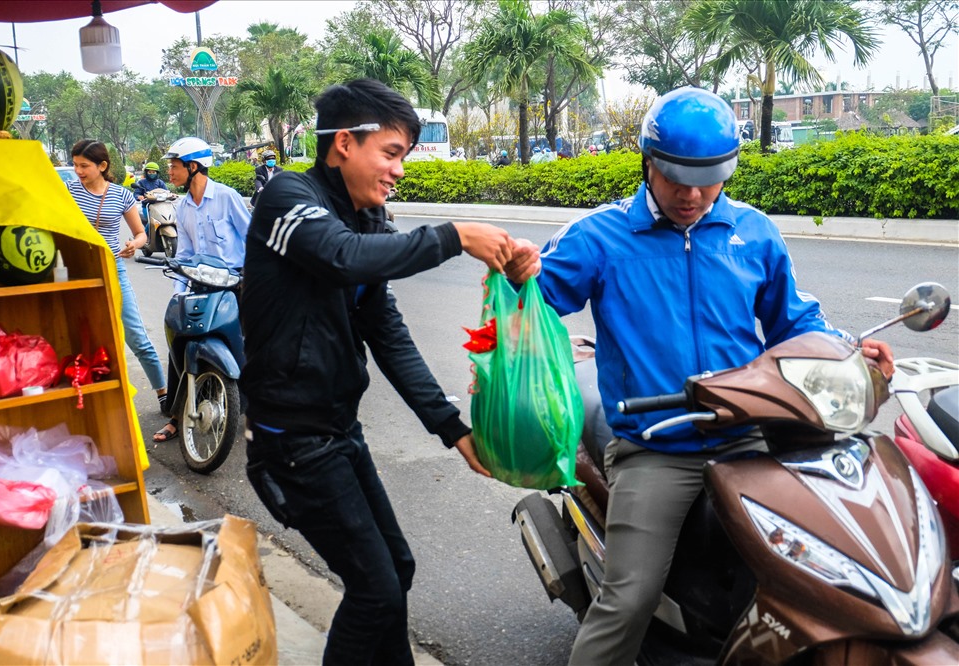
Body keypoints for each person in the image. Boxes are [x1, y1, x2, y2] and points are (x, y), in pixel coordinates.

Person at [503, 86, 894, 666]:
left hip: (751, 434)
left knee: (829, 566)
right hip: (657, 447)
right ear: (648, 164)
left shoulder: (753, 233)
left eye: (707, 178)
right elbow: (530, 306)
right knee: (628, 598)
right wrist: (518, 280)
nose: (690, 194)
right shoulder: (601, 237)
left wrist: (850, 349)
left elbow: (795, 320)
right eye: (674, 177)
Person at [240, 78, 513, 666]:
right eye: (391, 154)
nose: (399, 171)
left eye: (403, 158)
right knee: (374, 589)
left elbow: (386, 331)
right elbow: (339, 257)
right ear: (344, 143)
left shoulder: (366, 220)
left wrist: (452, 427)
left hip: (338, 432)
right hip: (292, 440)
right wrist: (454, 235)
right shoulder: (288, 199)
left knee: (396, 573)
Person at [152, 136, 251, 443]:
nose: (170, 171)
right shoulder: (181, 207)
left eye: (175, 165)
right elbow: (184, 253)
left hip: (235, 283)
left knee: (252, 341)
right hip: (200, 283)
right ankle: (176, 414)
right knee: (180, 339)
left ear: (193, 167)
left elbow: (252, 237)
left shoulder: (226, 197)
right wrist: (178, 289)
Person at [66, 140, 169, 413]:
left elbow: (141, 233)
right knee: (81, 335)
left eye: (84, 165)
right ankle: (86, 397)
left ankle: (163, 393)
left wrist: (134, 244)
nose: (78, 171)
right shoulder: (68, 191)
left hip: (113, 268)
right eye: (75, 165)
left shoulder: (121, 196)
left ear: (102, 166)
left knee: (135, 334)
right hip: (77, 272)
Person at [132, 162, 168, 226]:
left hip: (160, 207)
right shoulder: (141, 182)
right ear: (146, 173)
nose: (152, 174)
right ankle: (145, 235)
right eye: (150, 172)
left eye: (153, 172)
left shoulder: (160, 183)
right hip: (147, 206)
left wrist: (172, 195)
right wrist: (139, 196)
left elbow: (167, 192)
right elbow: (136, 194)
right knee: (150, 223)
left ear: (157, 173)